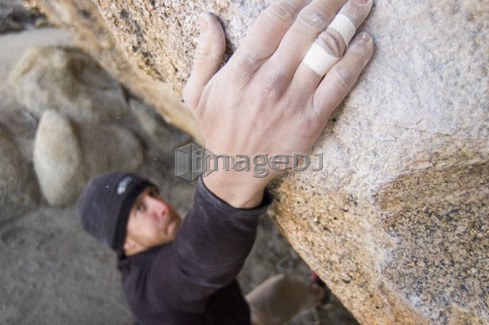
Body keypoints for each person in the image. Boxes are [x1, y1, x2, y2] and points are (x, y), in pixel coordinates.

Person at [76, 0, 374, 323]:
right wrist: (231, 177)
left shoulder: (158, 247)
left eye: (151, 196)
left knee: (281, 289)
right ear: (128, 243)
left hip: (242, 313)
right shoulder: (151, 297)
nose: (161, 207)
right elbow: (192, 267)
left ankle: (317, 295)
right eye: (139, 210)